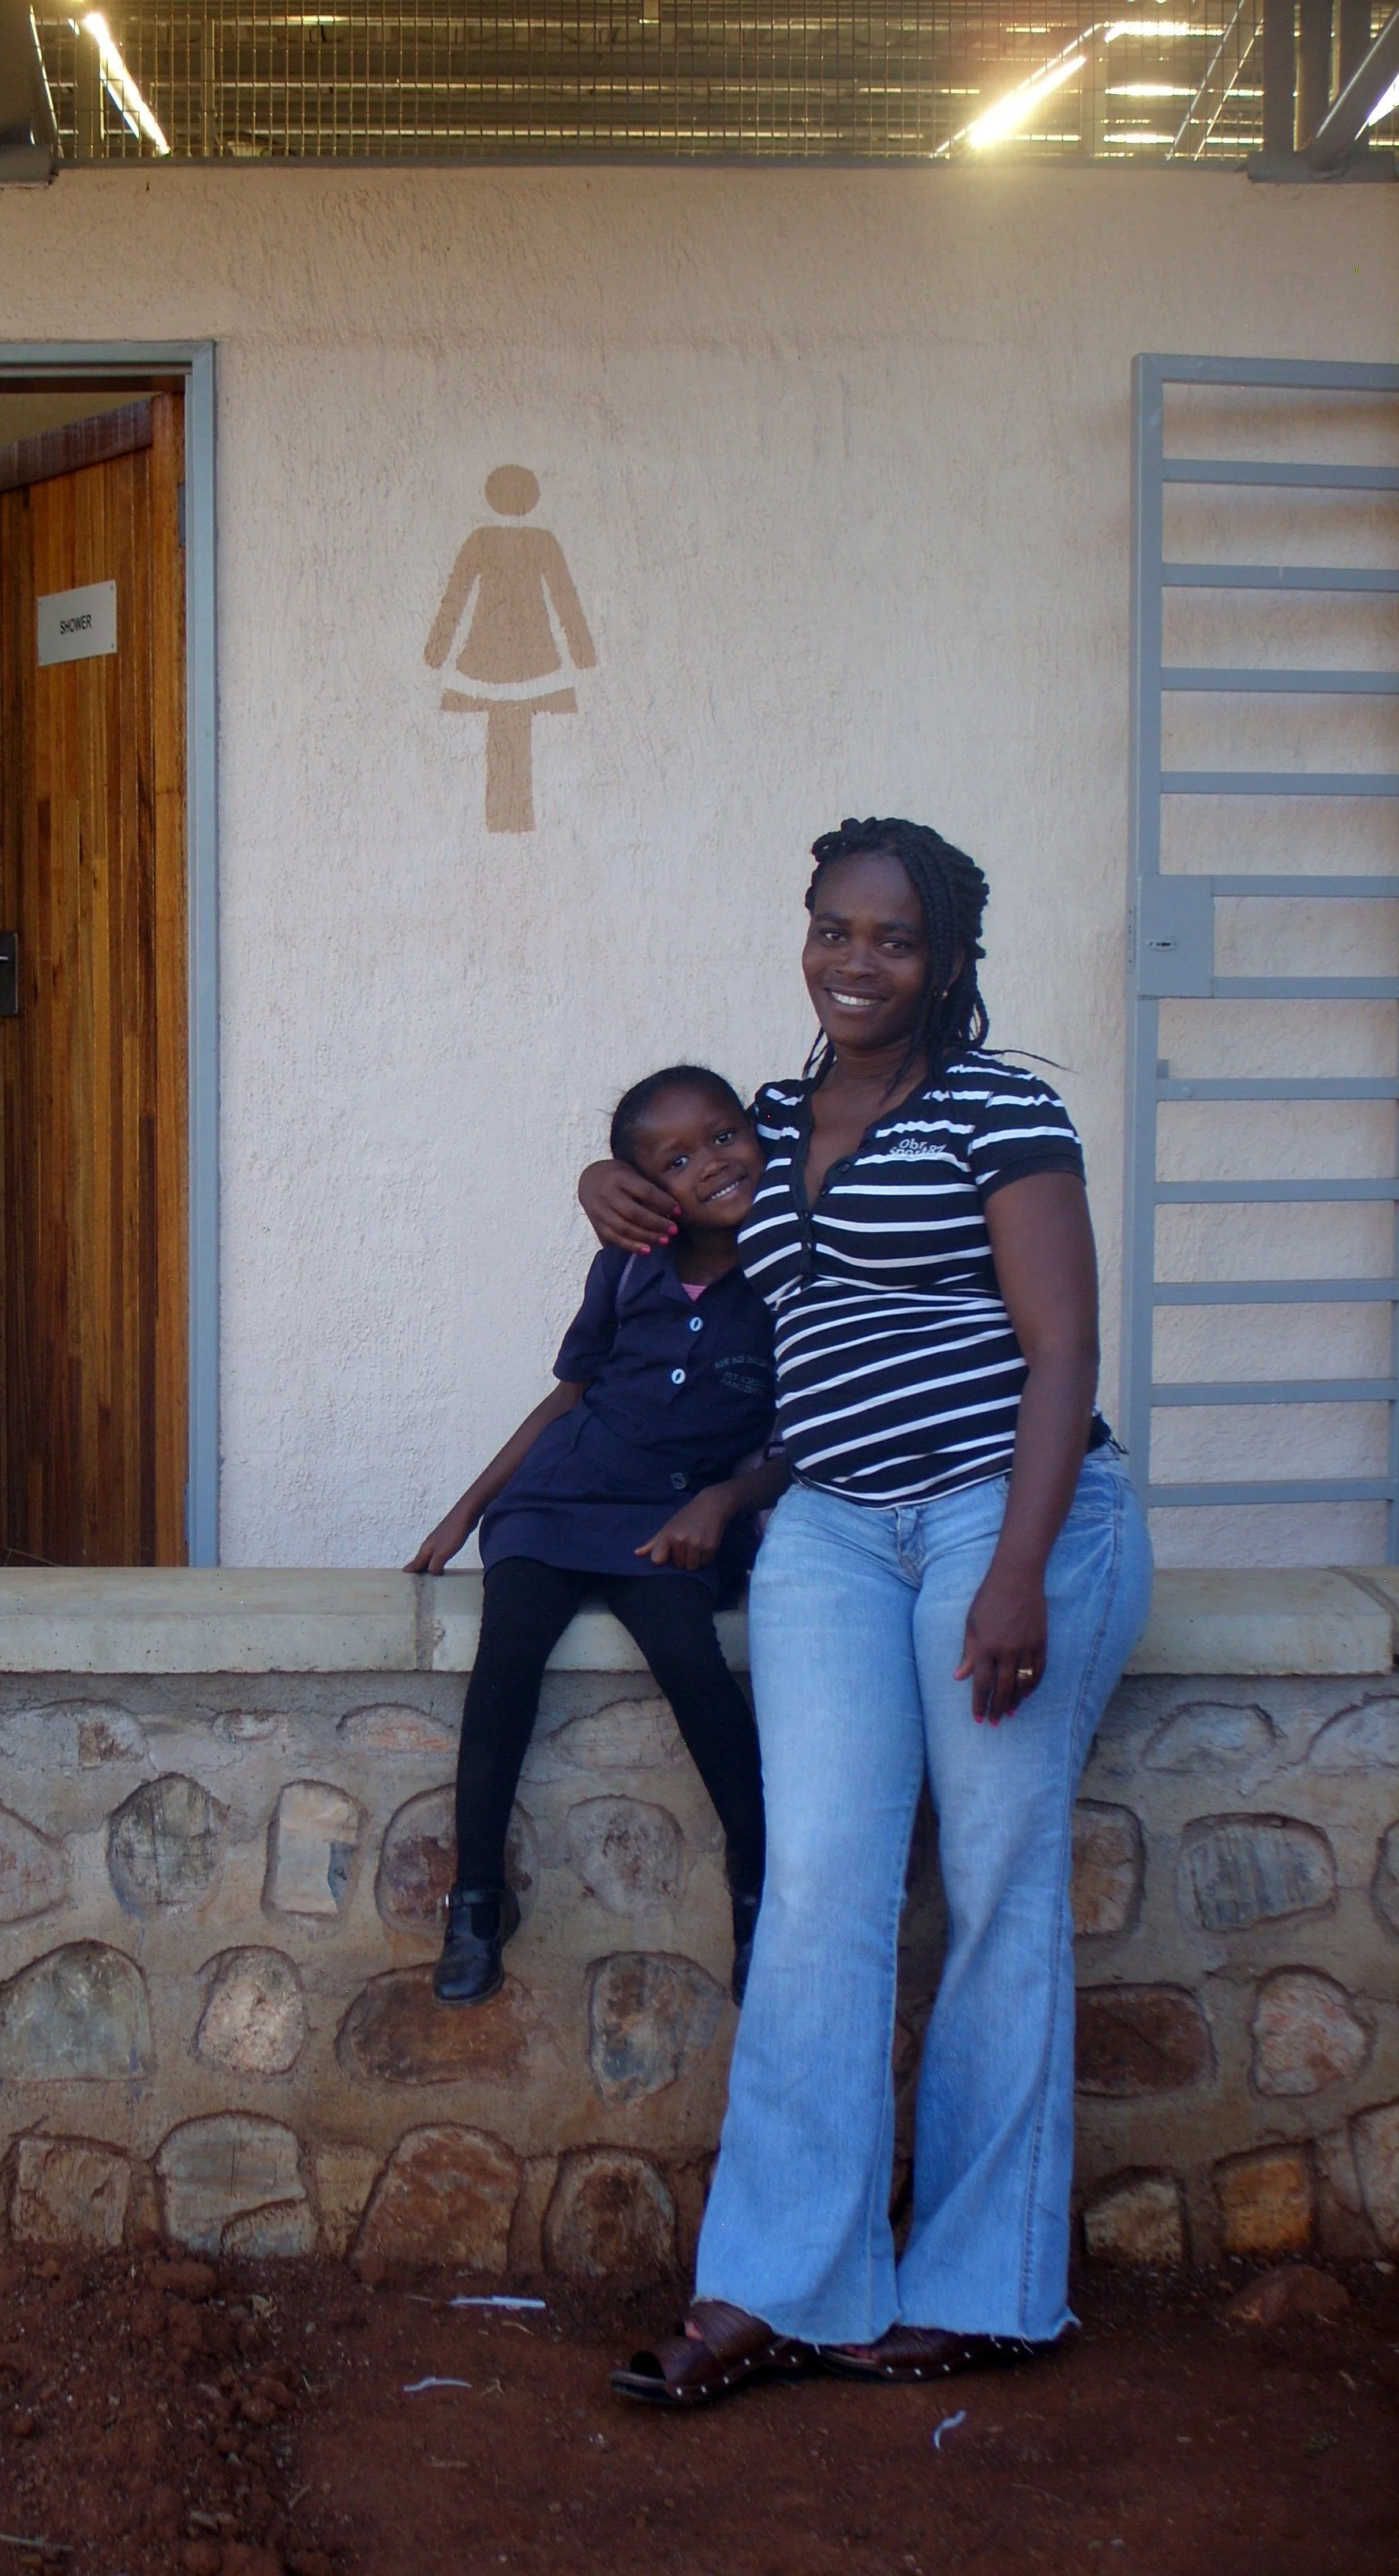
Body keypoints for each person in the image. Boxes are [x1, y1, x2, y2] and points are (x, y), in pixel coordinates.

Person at [578, 819, 1153, 2406]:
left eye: (893, 938)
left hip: (1004, 1510)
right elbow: (666, 1192)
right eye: (834, 929)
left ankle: (983, 2285)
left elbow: (1062, 1353)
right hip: (830, 1525)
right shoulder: (762, 1123)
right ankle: (775, 2284)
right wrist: (603, 1179)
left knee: (994, 1878)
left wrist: (1020, 1565)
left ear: (949, 962)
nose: (856, 961)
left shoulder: (1000, 1108)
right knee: (825, 1881)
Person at [407, 1067, 790, 2009]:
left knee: (689, 1662)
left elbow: (809, 1433)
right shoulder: (629, 1262)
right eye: (678, 1158)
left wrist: (728, 1502)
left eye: (725, 1135)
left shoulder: (788, 1264)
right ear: (648, 1188)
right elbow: (571, 1395)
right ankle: (479, 1899)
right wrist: (465, 1511)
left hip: (672, 1519)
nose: (713, 1164)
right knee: (508, 1653)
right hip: (557, 1499)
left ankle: (759, 1893)